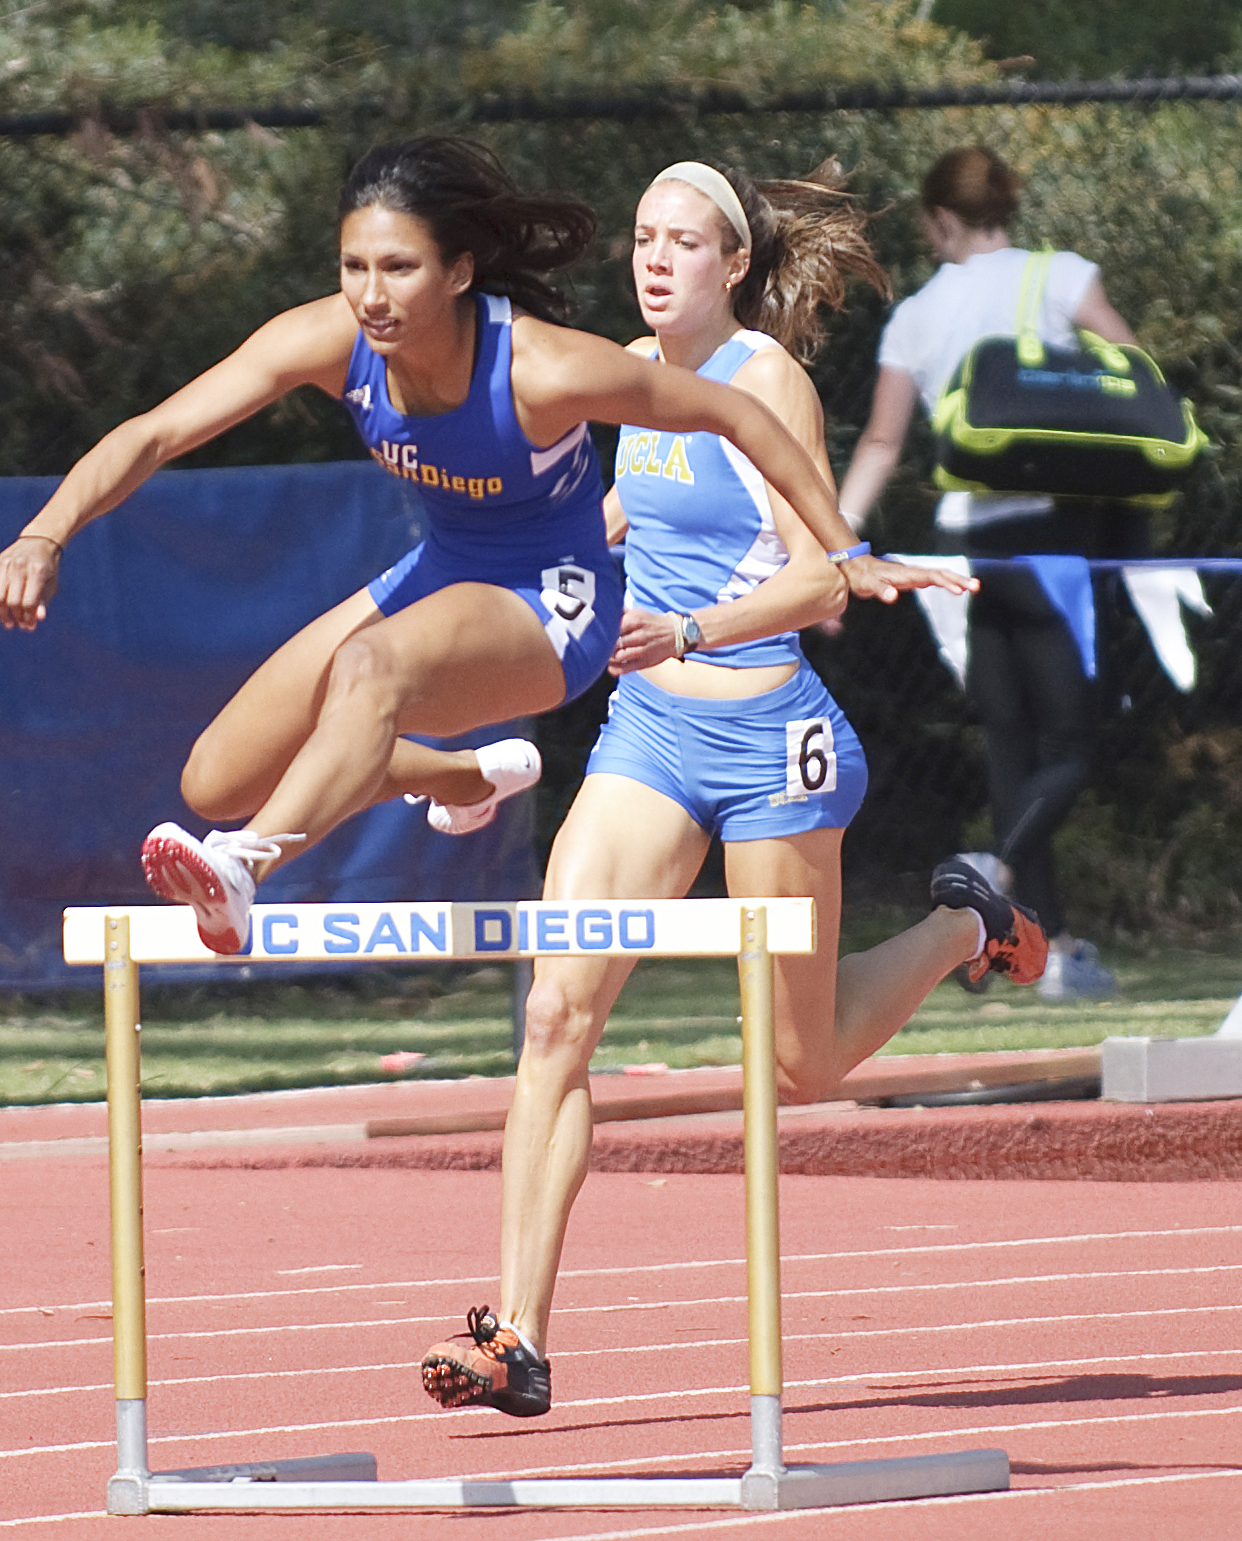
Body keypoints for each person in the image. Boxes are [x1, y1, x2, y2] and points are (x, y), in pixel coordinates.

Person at [0, 136, 970, 955]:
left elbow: (737, 417)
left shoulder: (539, 368)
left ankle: (247, 867)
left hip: (555, 601)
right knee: (214, 777)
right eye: (353, 267)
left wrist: (844, 550)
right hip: (445, 569)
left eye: (398, 269)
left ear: (457, 272)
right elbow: (157, 429)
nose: (371, 296)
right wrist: (46, 530)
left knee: (362, 678)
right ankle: (459, 775)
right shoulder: (331, 340)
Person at [417, 159, 1046, 1420]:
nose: (654, 262)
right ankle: (516, 1336)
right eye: (641, 238)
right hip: (648, 736)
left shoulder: (766, 384)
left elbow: (824, 586)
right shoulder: (632, 383)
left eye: (682, 243)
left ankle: (962, 921)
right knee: (554, 1012)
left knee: (800, 1063)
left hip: (768, 742)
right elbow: (621, 515)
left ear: (733, 265)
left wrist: (690, 629)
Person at [837, 145, 1134, 1003]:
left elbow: (886, 443)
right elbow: (1136, 378)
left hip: (965, 550)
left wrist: (840, 550)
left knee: (1010, 748)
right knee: (1075, 742)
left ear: (937, 220)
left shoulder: (919, 315)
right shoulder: (1062, 279)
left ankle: (1044, 952)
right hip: (1058, 540)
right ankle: (997, 871)